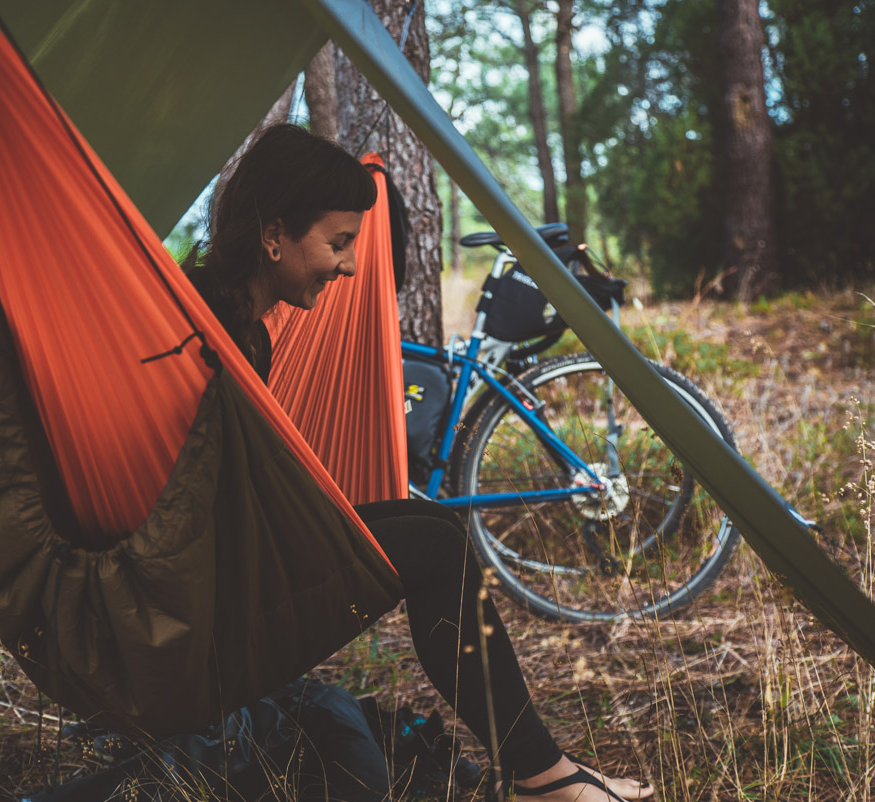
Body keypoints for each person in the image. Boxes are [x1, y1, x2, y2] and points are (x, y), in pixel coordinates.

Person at [185, 124, 655, 802]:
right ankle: (546, 781)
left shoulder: (239, 322)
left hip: (232, 560)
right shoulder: (214, 329)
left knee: (428, 530)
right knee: (435, 545)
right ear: (273, 233)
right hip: (207, 590)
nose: (349, 267)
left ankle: (546, 775)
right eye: (339, 243)